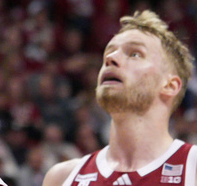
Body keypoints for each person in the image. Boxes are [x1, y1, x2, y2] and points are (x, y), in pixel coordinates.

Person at [42, 10, 196, 186]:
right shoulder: (62, 178)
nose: (110, 58)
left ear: (170, 85)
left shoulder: (193, 167)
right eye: (109, 52)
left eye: (135, 54)